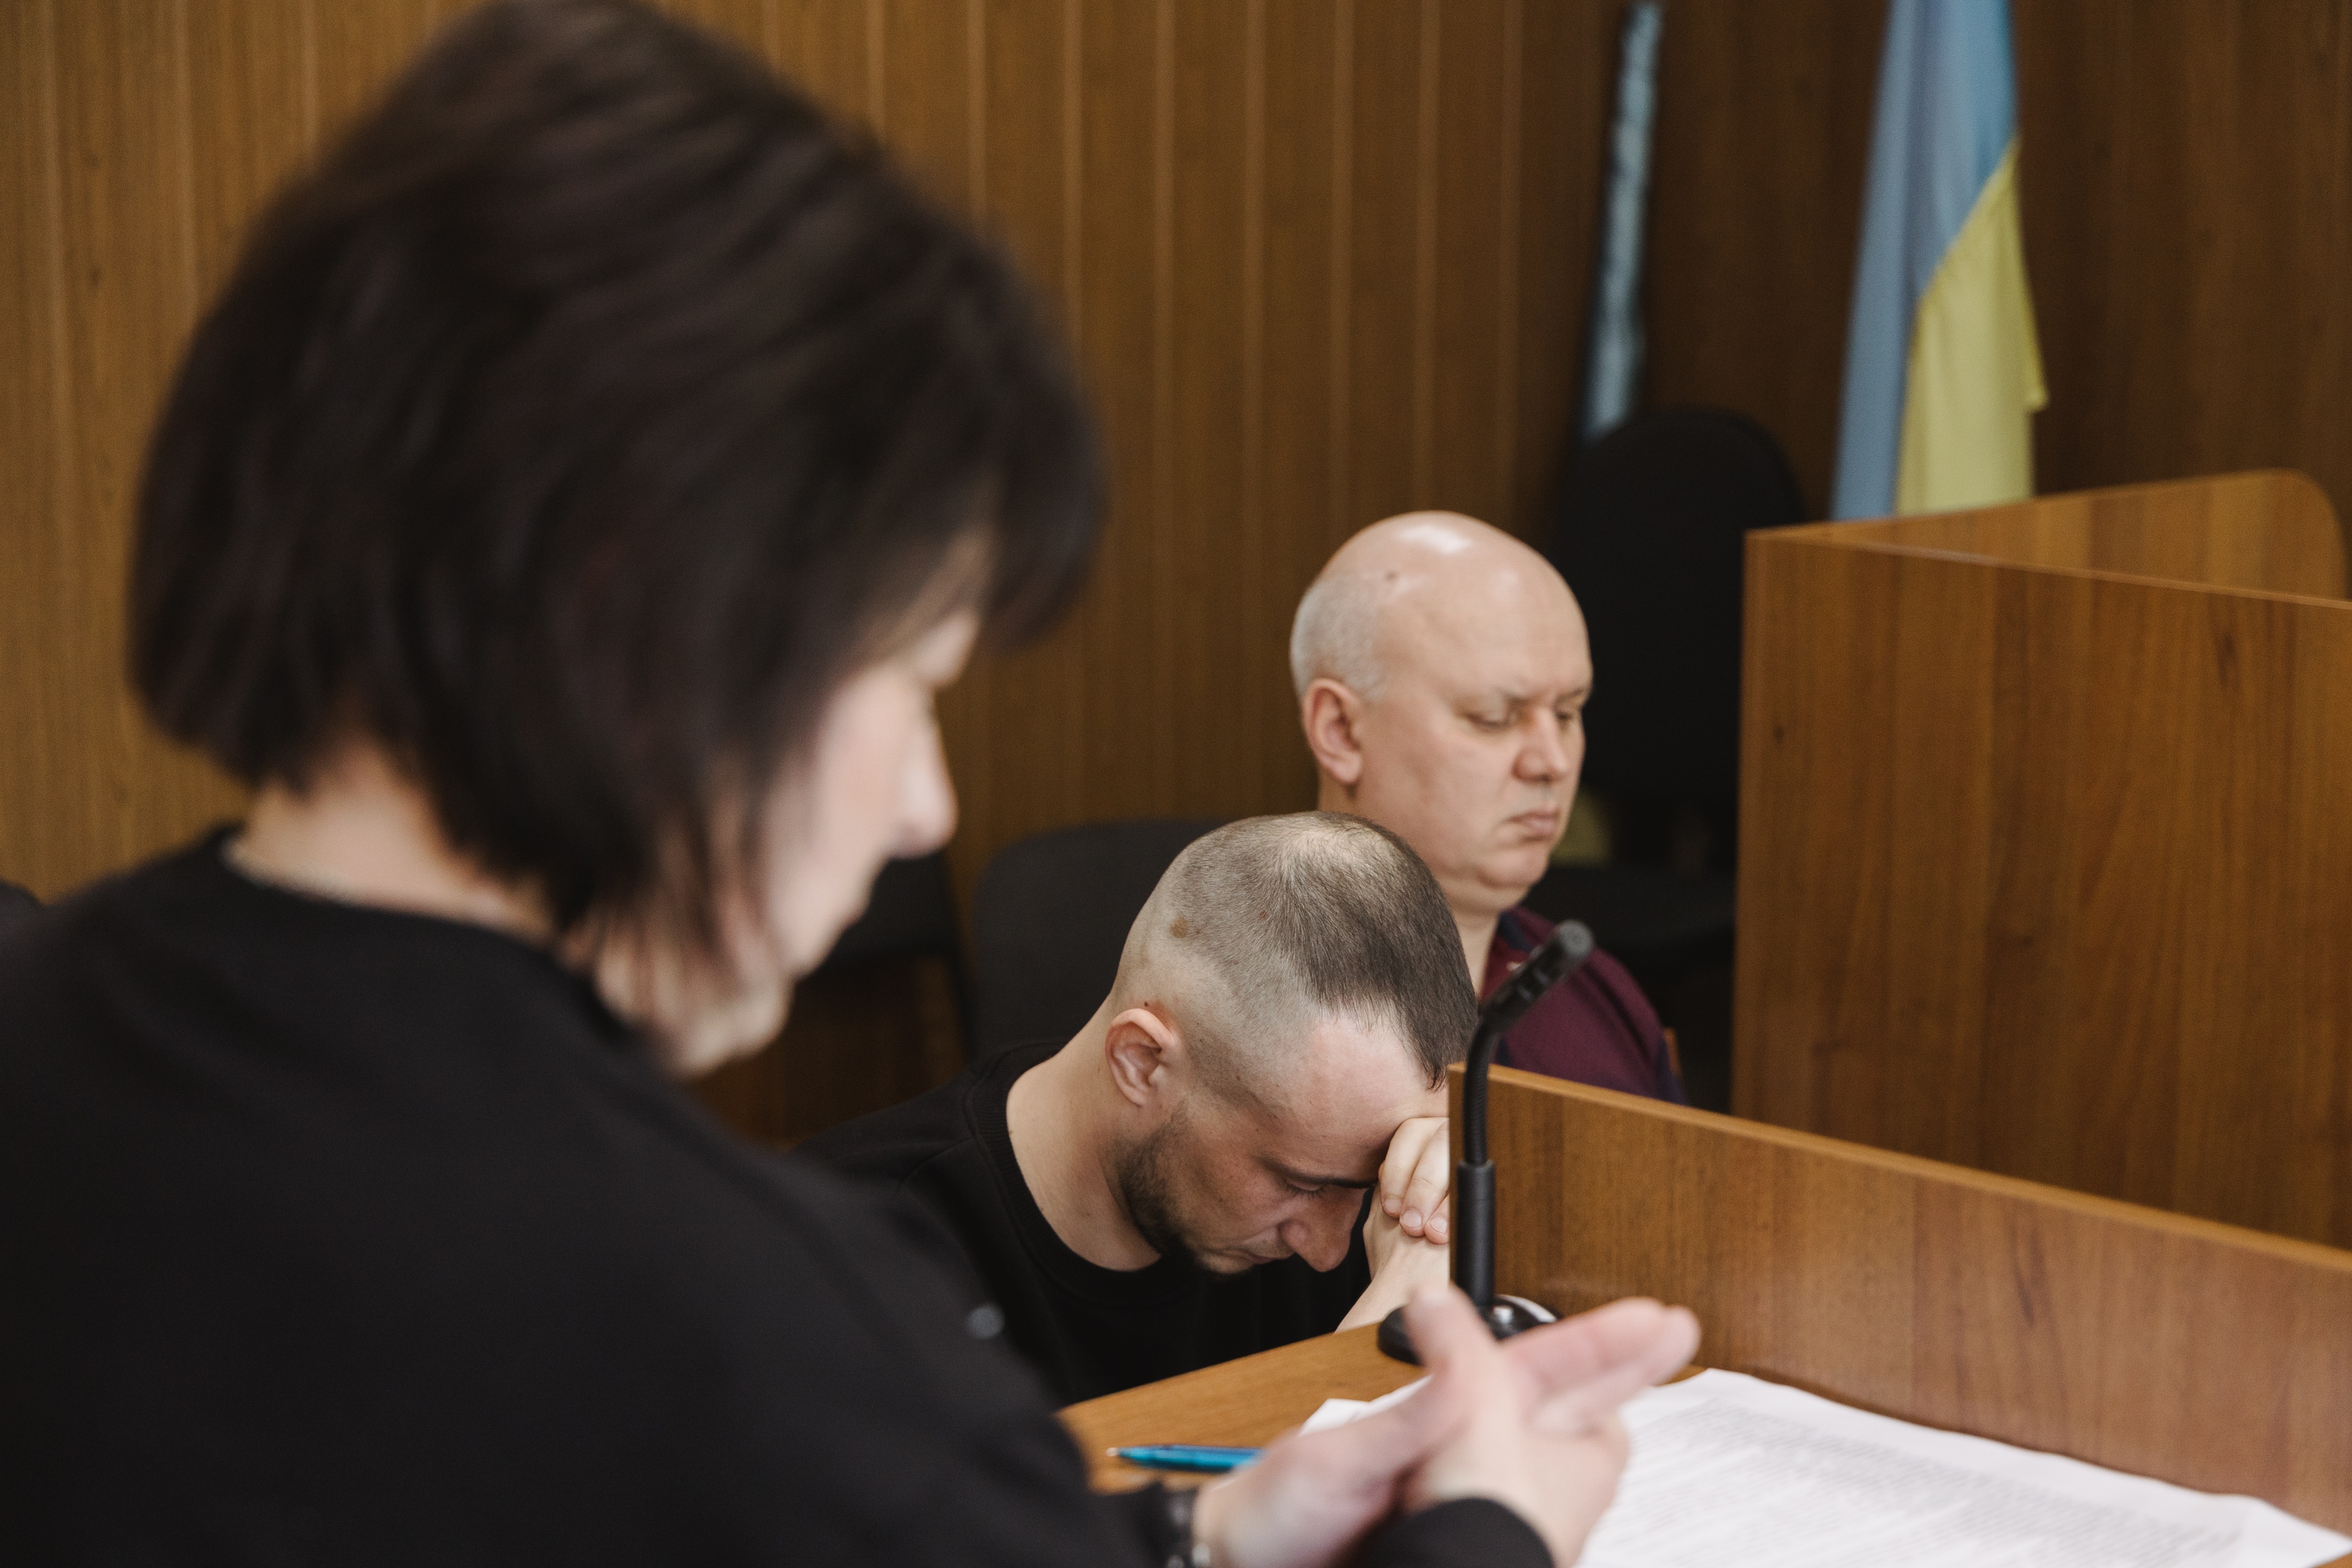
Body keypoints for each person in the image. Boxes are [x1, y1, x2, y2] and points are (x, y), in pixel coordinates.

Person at [0, 4, 1700, 1566]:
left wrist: (1207, 1536)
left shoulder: (57, 1028)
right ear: (647, 637)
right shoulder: (719, 1320)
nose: (921, 811)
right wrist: (1477, 1537)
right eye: (904, 684)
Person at [802, 812, 1474, 1403]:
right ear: (1142, 1062)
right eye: (1300, 1184)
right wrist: (1373, 1348)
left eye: (1374, 1176)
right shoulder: (850, 1260)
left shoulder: (1379, 1212)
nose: (1328, 1253)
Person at [1291, 511, 1685, 1102]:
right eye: (1493, 719)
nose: (1552, 761)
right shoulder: (1239, 1007)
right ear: (1341, 732)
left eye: (1567, 713)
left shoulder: (1600, 1002)